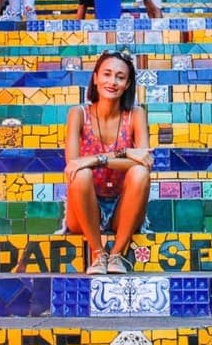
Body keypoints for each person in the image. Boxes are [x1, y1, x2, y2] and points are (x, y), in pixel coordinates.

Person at [63, 51, 153, 274]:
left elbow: (144, 161)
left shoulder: (136, 114)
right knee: (80, 173)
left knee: (140, 173)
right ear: (95, 78)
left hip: (123, 207)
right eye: (107, 74)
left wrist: (95, 159)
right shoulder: (78, 114)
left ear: (127, 84)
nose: (112, 82)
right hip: (84, 205)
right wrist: (126, 154)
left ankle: (116, 255)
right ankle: (97, 253)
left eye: (120, 77)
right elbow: (73, 165)